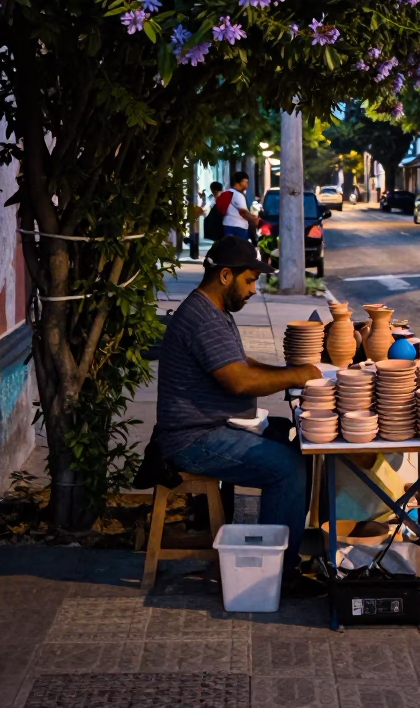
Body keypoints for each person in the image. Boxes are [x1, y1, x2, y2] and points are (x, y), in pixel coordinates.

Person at [154, 235, 322, 591]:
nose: (252, 289)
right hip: (193, 438)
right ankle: (277, 574)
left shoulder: (214, 310)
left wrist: (286, 372)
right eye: (249, 280)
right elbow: (238, 381)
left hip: (213, 425)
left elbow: (241, 363)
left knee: (291, 438)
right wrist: (298, 375)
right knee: (287, 468)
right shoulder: (204, 319)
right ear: (226, 276)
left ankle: (271, 542)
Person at [222, 170, 259, 240]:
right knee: (240, 249)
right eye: (246, 182)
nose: (247, 185)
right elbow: (243, 212)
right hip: (238, 228)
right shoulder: (238, 195)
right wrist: (254, 220)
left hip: (227, 226)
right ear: (241, 182)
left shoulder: (227, 192)